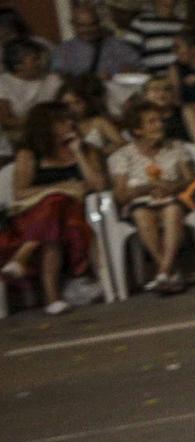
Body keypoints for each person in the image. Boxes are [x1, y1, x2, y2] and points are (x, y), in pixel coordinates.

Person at [7, 101, 106, 313]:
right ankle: (52, 296)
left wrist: (78, 153)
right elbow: (20, 192)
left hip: (77, 215)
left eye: (70, 119)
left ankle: (27, 260)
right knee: (55, 204)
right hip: (36, 217)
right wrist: (59, 188)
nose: (69, 124)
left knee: (56, 217)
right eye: (61, 121)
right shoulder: (30, 154)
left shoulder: (87, 150)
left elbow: (99, 185)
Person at [108, 102, 195, 292]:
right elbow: (121, 195)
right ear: (137, 130)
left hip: (172, 200)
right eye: (152, 122)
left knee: (172, 210)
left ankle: (163, 272)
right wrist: (148, 188)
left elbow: (191, 179)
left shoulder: (175, 147)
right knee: (142, 215)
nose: (159, 125)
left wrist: (173, 187)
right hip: (140, 203)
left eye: (160, 120)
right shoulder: (122, 156)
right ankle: (169, 270)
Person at [50, 3, 143, 79]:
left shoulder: (118, 46)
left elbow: (138, 69)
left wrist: (121, 74)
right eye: (82, 26)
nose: (88, 30)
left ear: (99, 24)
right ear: (73, 25)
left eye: (92, 25)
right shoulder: (63, 51)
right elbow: (58, 78)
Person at [0, 39, 63, 139]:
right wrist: (36, 123)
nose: (41, 63)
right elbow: (5, 120)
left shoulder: (53, 80)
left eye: (40, 58)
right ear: (18, 65)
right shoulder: (3, 83)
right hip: (19, 136)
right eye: (35, 59)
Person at [124, 0, 185, 73]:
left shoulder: (183, 23)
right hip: (154, 77)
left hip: (181, 75)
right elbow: (128, 51)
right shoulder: (142, 22)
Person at [58, 76, 125, 156]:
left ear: (86, 102)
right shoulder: (58, 126)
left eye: (77, 102)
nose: (72, 108)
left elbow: (122, 143)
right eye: (67, 104)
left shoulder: (99, 122)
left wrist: (98, 153)